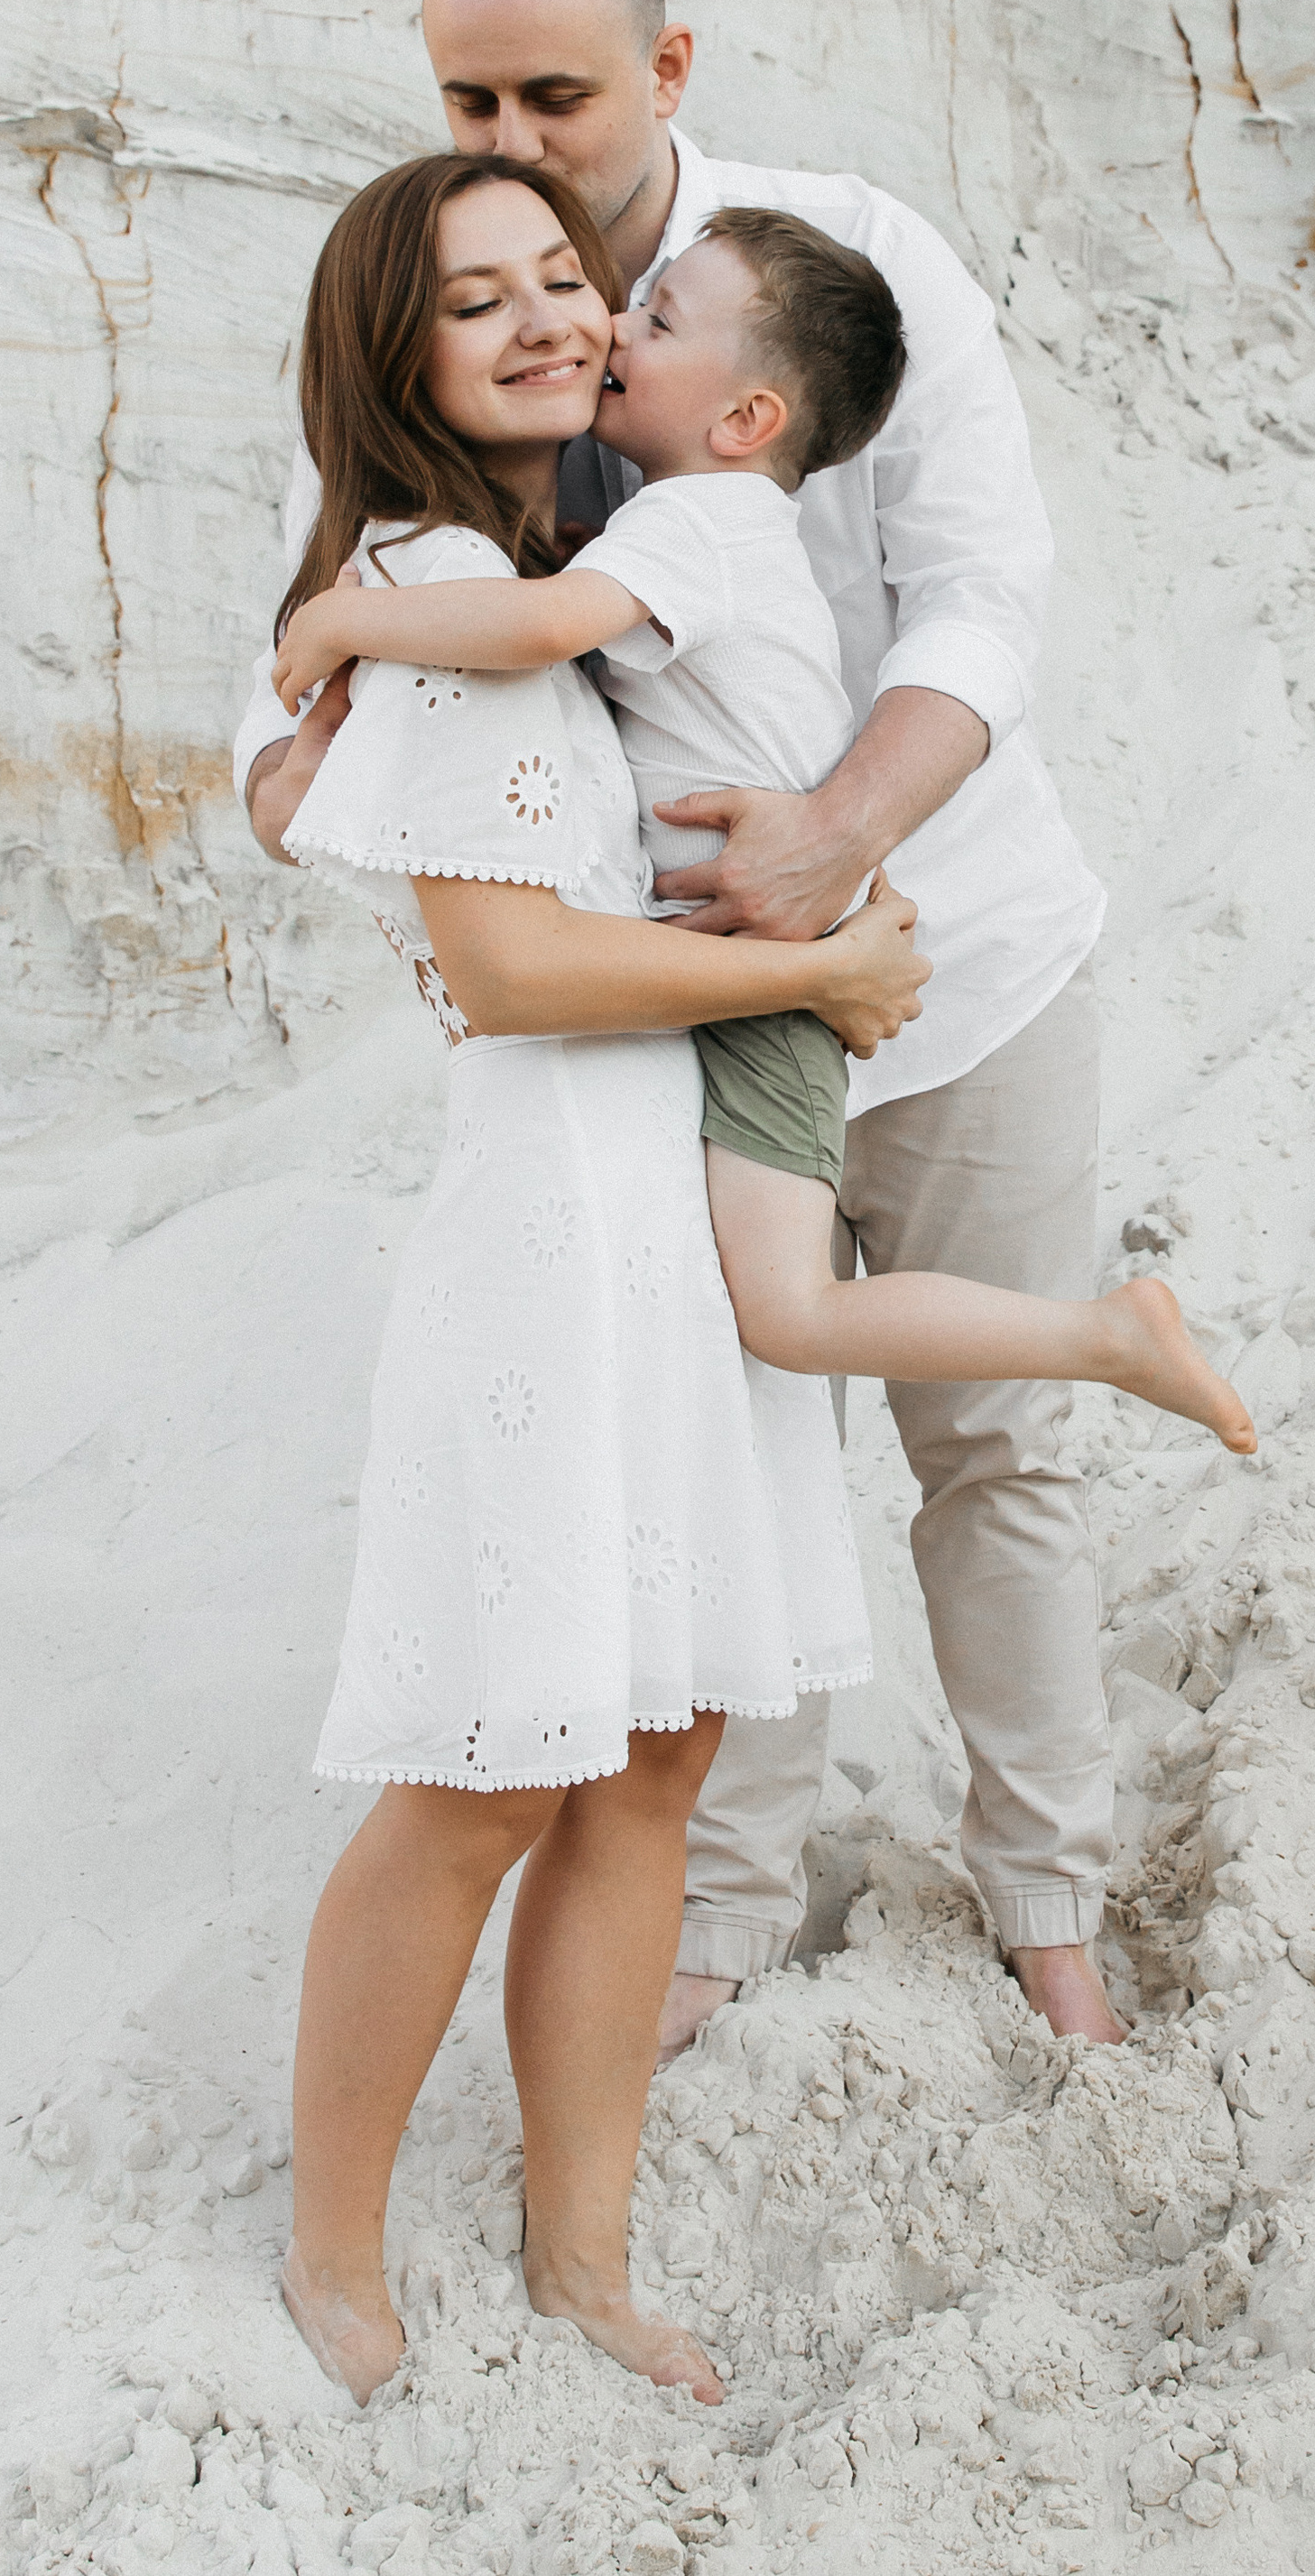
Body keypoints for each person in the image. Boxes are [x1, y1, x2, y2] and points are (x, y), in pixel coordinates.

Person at [239, 0, 1126, 2053]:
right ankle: (721, 1912)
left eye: (553, 94)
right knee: (734, 1458)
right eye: (469, 98)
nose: (514, 140)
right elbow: (318, 630)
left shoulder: (833, 265)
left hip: (961, 956)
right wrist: (306, 773)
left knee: (994, 1451)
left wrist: (842, 839)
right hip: (682, 1029)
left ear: (666, 68)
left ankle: (1050, 1901)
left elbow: (984, 593)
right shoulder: (466, 314)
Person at [268, 150, 928, 2411]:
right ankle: (334, 2243)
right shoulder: (439, 586)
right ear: (397, 356)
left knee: (650, 1764)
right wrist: (820, 968)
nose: (553, 317)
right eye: (481, 301)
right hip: (554, 1224)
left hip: (681, 1214)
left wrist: (830, 928)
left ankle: (582, 2250)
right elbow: (516, 971)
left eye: (567, 274)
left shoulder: (584, 573)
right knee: (486, 1767)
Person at [273, 200, 1256, 1455]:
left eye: (657, 318)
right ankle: (1095, 1337)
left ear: (744, 421)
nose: (614, 323)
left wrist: (344, 620)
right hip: (756, 970)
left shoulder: (696, 524)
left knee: (787, 1313)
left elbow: (538, 627)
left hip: (771, 995)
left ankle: (1103, 1338)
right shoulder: (692, 528)